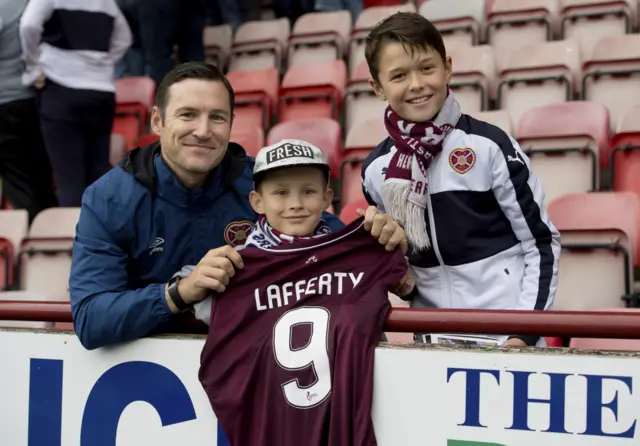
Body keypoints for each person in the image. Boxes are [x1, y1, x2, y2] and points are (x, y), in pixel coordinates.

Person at [69, 62, 403, 350]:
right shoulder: (110, 198)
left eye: (216, 117)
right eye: (188, 115)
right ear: (157, 121)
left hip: (259, 369)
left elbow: (329, 244)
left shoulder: (264, 184)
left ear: (230, 123)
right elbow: (91, 318)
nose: (202, 131)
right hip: (153, 374)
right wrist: (180, 292)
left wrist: (371, 238)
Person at [361, 12, 561, 347]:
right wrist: (395, 269)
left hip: (507, 340)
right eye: (398, 76)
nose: (416, 84)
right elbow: (402, 268)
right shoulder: (376, 169)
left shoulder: (489, 146)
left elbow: (541, 244)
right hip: (434, 344)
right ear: (378, 87)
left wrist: (522, 335)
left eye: (427, 68)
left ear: (447, 67)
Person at [174, 139, 415, 324]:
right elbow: (191, 295)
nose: (296, 203)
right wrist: (185, 286)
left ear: (326, 198)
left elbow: (407, 286)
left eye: (308, 191)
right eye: (281, 193)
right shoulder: (235, 265)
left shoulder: (352, 255)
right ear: (257, 202)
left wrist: (390, 255)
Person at [19, 0, 132, 207]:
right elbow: (124, 38)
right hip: (101, 92)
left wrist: (34, 63)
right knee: (98, 172)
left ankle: (75, 237)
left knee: (70, 179)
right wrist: (102, 63)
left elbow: (28, 24)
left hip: (61, 89)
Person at [0, 0, 58, 222]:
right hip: (31, 99)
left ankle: (37, 235)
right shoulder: (33, 4)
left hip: (6, 103)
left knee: (21, 181)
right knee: (37, 175)